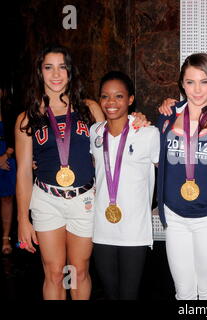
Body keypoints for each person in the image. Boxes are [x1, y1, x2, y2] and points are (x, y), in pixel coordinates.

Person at [15, 44, 147, 300]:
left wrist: (136, 118)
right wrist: (23, 218)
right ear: (39, 72)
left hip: (84, 200)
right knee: (54, 272)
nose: (56, 74)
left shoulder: (89, 109)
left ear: (70, 72)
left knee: (79, 270)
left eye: (62, 67)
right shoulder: (27, 118)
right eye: (48, 67)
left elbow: (115, 139)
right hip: (46, 200)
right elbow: (22, 172)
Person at [156, 53, 207, 300]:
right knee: (182, 291)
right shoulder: (168, 115)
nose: (197, 89)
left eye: (204, 81)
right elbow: (157, 160)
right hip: (174, 216)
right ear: (181, 84)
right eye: (190, 82)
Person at [90, 71, 159, 300]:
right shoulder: (95, 133)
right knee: (110, 294)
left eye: (119, 96)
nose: (111, 102)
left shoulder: (148, 133)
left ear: (130, 99)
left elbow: (169, 173)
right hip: (101, 228)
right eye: (105, 96)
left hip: (134, 231)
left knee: (129, 295)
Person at [0, 84, 16, 255]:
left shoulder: (10, 110)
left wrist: (6, 155)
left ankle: (6, 238)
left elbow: (17, 136)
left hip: (7, 156)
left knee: (7, 198)